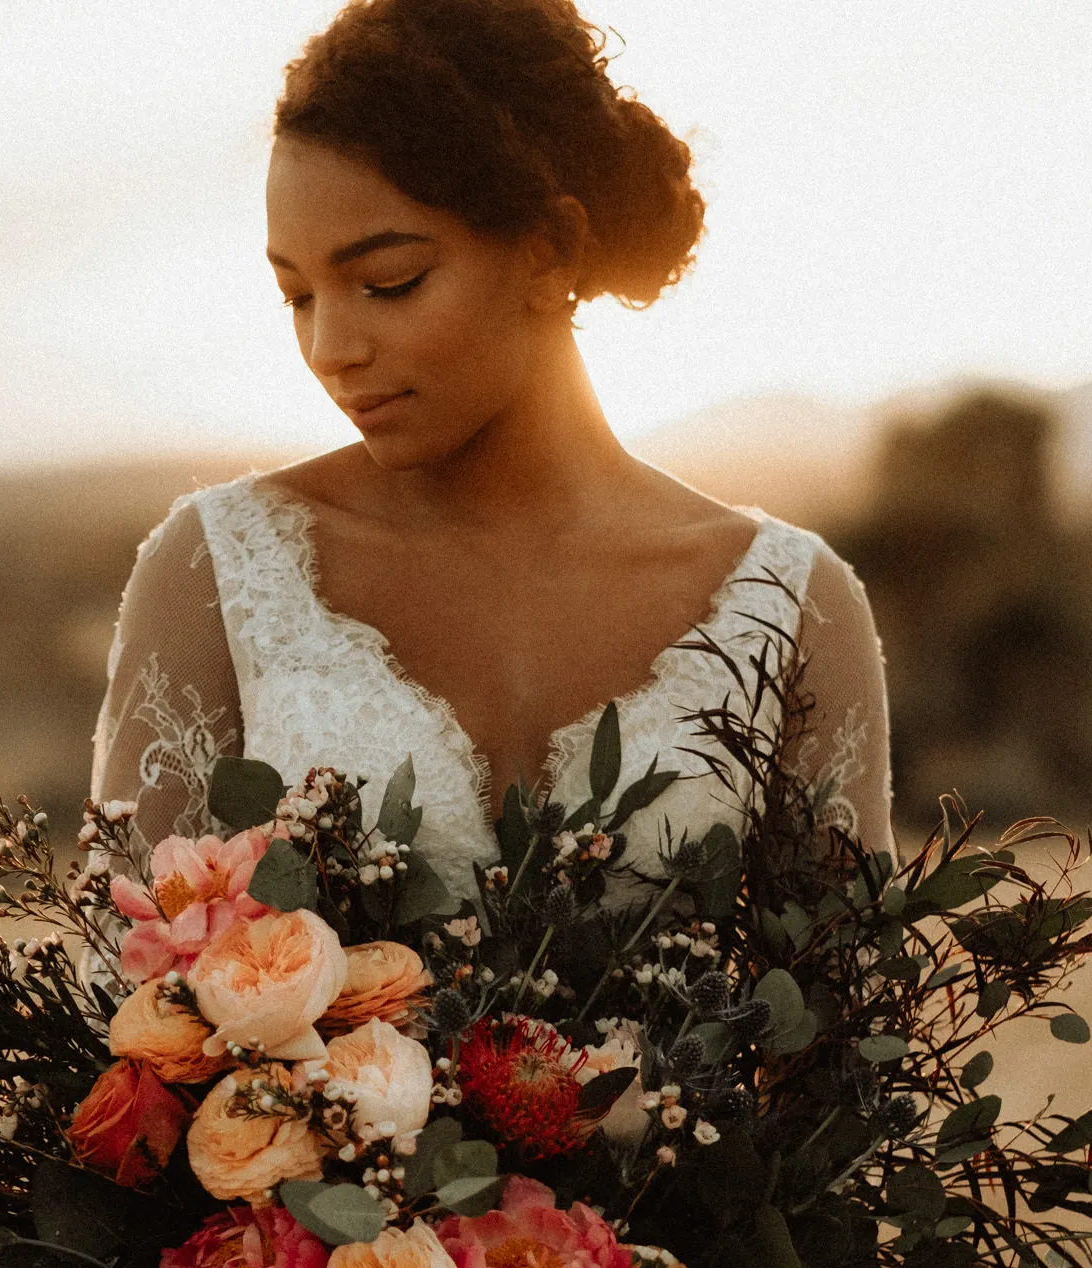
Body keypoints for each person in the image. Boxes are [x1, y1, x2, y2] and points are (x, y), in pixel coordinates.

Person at [91, 0, 890, 892]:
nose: (330, 350)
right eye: (299, 296)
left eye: (388, 282)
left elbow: (847, 1017)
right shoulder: (218, 575)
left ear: (551, 250)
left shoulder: (789, 607)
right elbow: (127, 995)